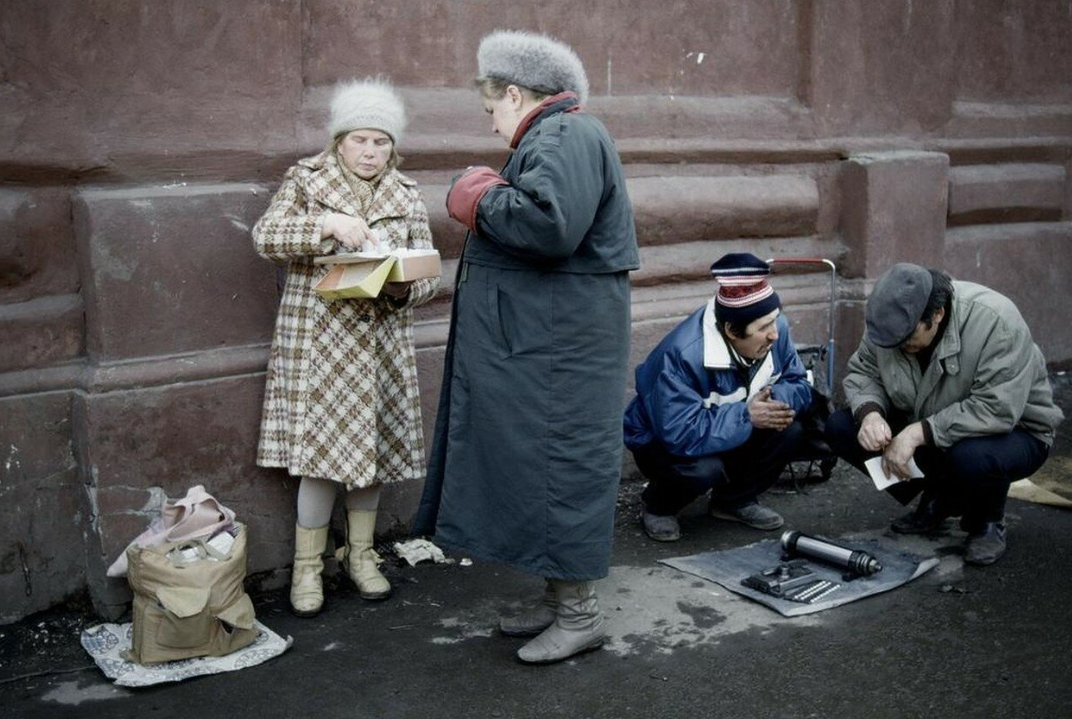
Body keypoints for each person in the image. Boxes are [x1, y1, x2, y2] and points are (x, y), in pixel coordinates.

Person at [412, 30, 639, 665]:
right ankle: (558, 600)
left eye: (492, 108)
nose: (492, 124)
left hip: (556, 354)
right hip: (550, 347)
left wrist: (476, 193)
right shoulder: (562, 134)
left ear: (515, 94)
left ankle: (580, 615)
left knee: (558, 470)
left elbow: (548, 225)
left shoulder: (563, 133)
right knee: (545, 469)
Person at [252, 78, 439, 616]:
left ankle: (361, 556)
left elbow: (429, 272)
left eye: (381, 142)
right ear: (339, 141)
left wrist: (404, 287)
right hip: (320, 345)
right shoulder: (306, 180)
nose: (370, 152)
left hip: (380, 344)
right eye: (360, 140)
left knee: (370, 458)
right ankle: (307, 568)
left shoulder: (405, 193)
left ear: (392, 147)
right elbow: (265, 237)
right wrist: (325, 225)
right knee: (319, 460)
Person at [825, 263, 1063, 565]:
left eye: (908, 336)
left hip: (1016, 433)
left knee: (971, 457)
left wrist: (916, 433)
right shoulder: (888, 321)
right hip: (932, 421)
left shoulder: (996, 321)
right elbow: (864, 372)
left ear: (937, 314)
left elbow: (997, 409)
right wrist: (870, 415)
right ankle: (940, 496)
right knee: (841, 427)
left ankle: (986, 521)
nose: (899, 345)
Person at [623, 253, 812, 542]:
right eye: (763, 328)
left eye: (775, 321)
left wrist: (772, 403)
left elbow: (798, 382)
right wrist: (747, 415)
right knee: (702, 469)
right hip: (664, 443)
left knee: (791, 428)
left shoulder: (776, 331)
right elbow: (679, 434)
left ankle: (733, 501)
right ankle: (659, 506)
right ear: (731, 331)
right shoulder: (682, 356)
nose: (774, 334)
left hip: (728, 424)